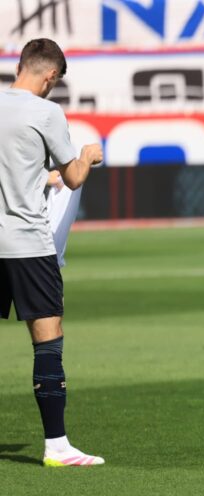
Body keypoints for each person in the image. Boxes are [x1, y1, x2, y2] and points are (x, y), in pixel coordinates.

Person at [1, 38, 104, 467]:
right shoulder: (46, 112)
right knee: (47, 339)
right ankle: (57, 446)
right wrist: (87, 155)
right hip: (27, 243)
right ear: (50, 76)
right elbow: (73, 178)